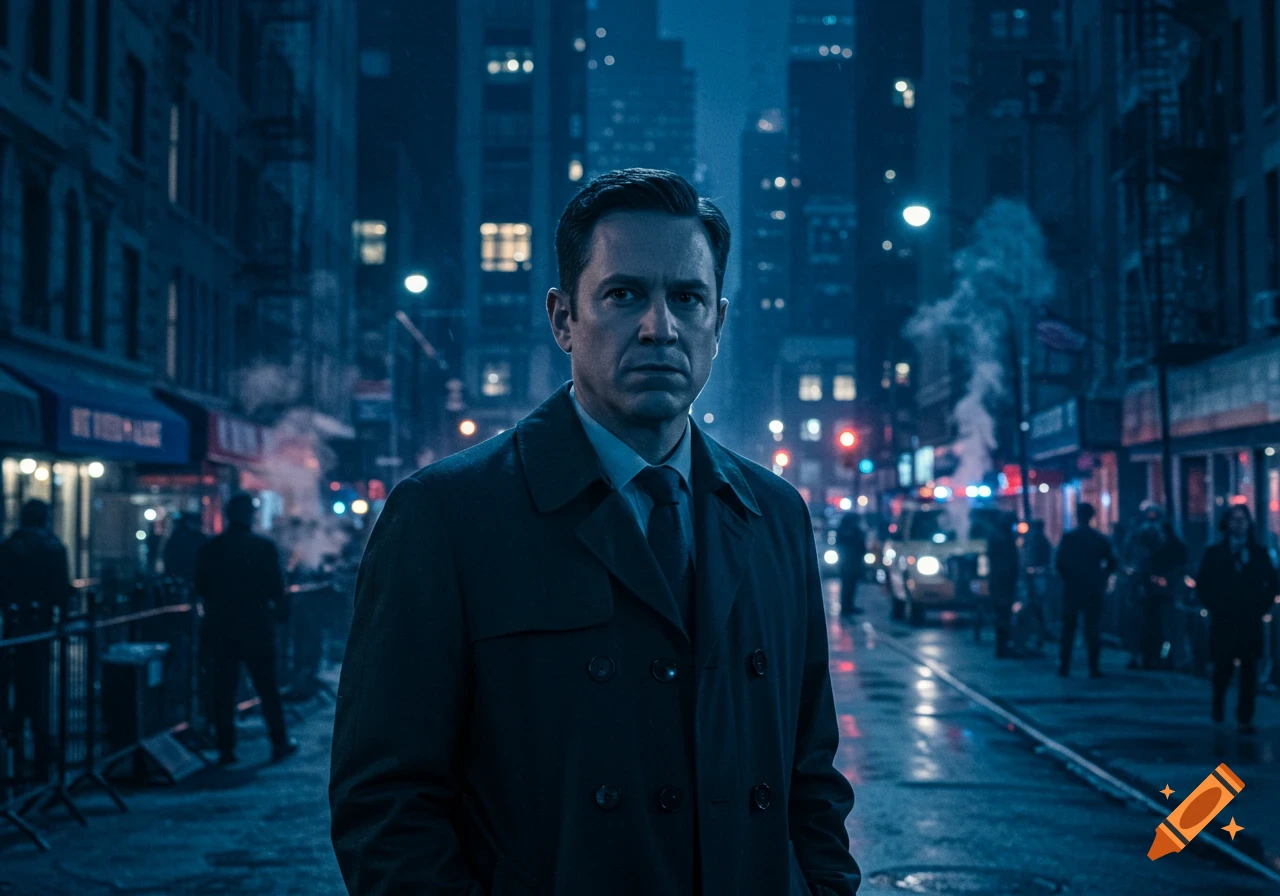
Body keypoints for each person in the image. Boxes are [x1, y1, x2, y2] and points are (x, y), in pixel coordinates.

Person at [330, 169, 860, 896]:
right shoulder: (447, 515)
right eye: (623, 294)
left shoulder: (775, 514)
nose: (658, 327)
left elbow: (811, 773)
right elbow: (385, 804)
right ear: (562, 319)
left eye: (686, 297)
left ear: (718, 321)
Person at [194, 493, 298, 766]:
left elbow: (200, 587)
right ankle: (279, 742)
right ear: (250, 515)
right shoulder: (263, 548)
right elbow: (278, 588)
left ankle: (226, 748)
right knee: (267, 688)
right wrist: (281, 616)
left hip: (221, 628)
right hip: (257, 628)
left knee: (223, 691)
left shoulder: (211, 548)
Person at [0, 500, 74, 781]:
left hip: (13, 628)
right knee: (37, 692)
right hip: (38, 627)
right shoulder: (52, 547)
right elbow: (60, 590)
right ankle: (41, 758)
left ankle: (16, 753)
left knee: (15, 692)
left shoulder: (10, 546)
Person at [1195, 505, 1278, 735]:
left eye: (1243, 519)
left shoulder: (1259, 553)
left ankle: (1245, 717)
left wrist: (1261, 607)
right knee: (1223, 668)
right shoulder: (1215, 553)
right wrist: (1215, 606)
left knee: (1249, 671)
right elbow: (1203, 585)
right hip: (1224, 620)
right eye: (1235, 519)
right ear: (1227, 523)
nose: (1239, 524)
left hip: (1249, 621)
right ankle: (1219, 705)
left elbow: (1272, 583)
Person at [1054, 503, 1116, 678]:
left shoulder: (1069, 538)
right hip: (1092, 589)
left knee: (1068, 629)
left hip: (1072, 589)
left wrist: (1068, 578)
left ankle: (1064, 666)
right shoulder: (1098, 539)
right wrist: (1100, 578)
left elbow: (1059, 563)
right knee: (1093, 629)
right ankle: (1093, 667)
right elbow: (1112, 563)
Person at [1123, 503, 1188, 670]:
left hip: (1162, 588)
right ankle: (1144, 656)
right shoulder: (1138, 535)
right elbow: (1132, 558)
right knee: (1142, 623)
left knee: (1162, 623)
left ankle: (1162, 657)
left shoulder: (1167, 537)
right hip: (1144, 588)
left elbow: (1178, 558)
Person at [988, 513, 1021, 658]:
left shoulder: (997, 537)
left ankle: (1002, 645)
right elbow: (1010, 563)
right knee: (1003, 615)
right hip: (1003, 582)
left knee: (1002, 615)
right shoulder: (1003, 539)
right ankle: (1003, 646)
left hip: (1000, 582)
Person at [162, 512, 206, 589]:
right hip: (193, 575)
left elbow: (168, 556)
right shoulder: (198, 537)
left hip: (180, 575)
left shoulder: (175, 537)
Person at [835, 511, 867, 617]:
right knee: (848, 585)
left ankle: (848, 606)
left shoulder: (849, 530)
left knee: (850, 585)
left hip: (851, 562)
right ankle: (846, 607)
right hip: (849, 562)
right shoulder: (850, 531)